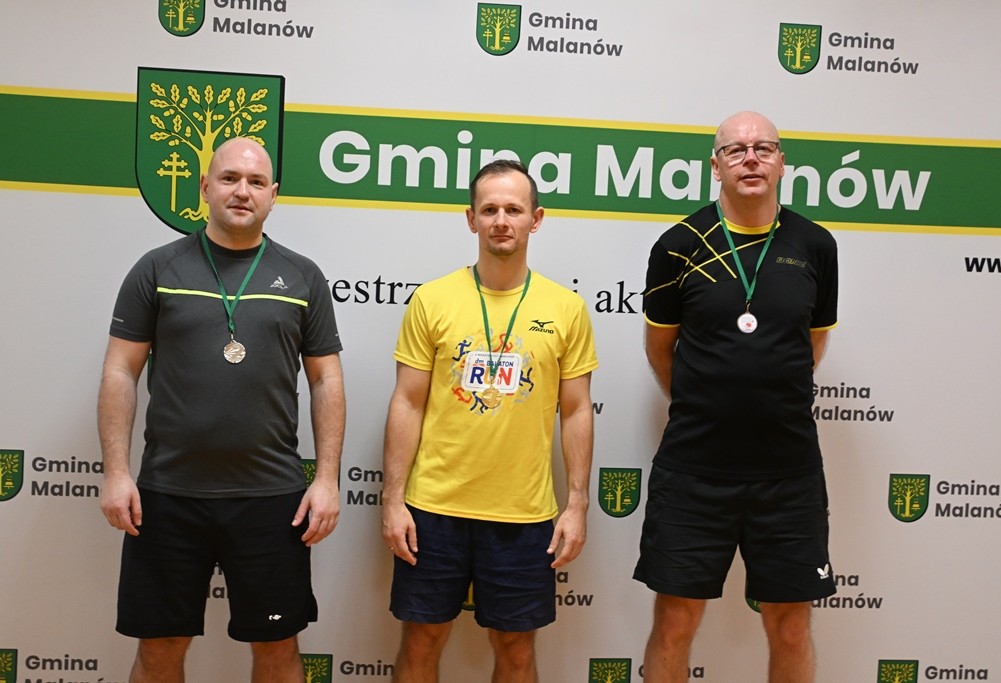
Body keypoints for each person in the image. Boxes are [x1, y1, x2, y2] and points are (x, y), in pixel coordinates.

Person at [98, 137, 346, 683]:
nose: (242, 191)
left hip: (271, 499)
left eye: (256, 182)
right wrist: (116, 472)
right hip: (168, 495)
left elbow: (326, 379)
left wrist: (327, 479)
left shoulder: (302, 276)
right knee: (160, 649)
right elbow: (120, 371)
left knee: (277, 649)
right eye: (230, 178)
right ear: (205, 187)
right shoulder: (157, 268)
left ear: (273, 194)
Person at [634, 111, 839, 683]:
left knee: (790, 624)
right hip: (694, 471)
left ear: (781, 162)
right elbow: (661, 350)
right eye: (736, 150)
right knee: (674, 620)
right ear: (715, 165)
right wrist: (708, 404)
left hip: (788, 473)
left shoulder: (816, 245)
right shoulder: (678, 245)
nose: (751, 159)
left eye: (763, 148)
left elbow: (810, 347)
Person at [380, 159, 598, 683]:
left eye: (514, 210)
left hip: (523, 514)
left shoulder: (566, 308)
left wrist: (577, 504)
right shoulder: (432, 299)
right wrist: (392, 500)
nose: (502, 220)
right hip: (433, 508)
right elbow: (407, 402)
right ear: (471, 218)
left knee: (516, 649)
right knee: (422, 640)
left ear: (536, 219)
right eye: (490, 209)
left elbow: (576, 410)